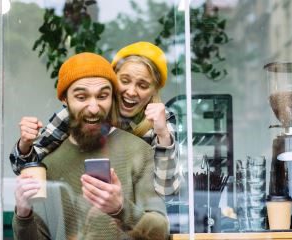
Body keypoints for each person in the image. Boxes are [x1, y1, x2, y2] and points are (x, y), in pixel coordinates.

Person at [12, 52, 169, 240]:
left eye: (102, 96)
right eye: (81, 97)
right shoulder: (49, 165)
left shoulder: (139, 151)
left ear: (112, 98)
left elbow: (161, 233)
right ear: (65, 100)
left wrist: (121, 209)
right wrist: (23, 214)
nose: (94, 108)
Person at [10, 41, 180, 195]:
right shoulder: (82, 112)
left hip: (133, 217)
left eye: (143, 85)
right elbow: (23, 167)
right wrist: (25, 144)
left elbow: (166, 189)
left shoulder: (162, 121)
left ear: (154, 91)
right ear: (112, 80)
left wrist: (163, 135)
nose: (131, 91)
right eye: (125, 80)